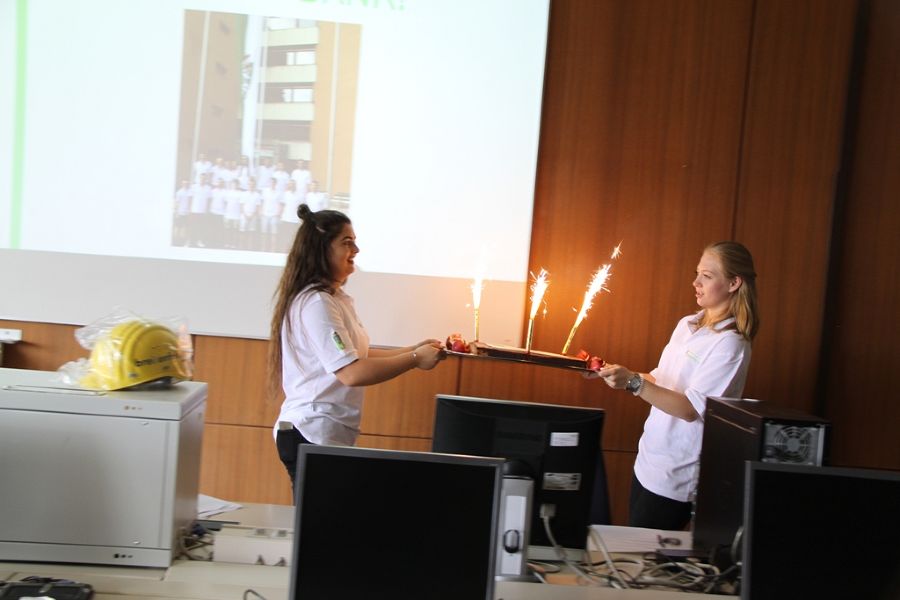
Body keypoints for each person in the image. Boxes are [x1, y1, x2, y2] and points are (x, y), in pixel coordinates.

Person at [268, 204, 446, 496]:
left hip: (323, 434)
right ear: (321, 249)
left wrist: (413, 349)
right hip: (312, 432)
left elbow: (356, 358)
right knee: (322, 533)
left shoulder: (334, 298)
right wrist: (414, 359)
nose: (357, 250)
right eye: (347, 242)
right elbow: (351, 373)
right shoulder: (317, 304)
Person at [590, 241, 759, 530]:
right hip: (648, 461)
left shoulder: (730, 343)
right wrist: (617, 374)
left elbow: (690, 408)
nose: (695, 283)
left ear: (733, 283)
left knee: (649, 566)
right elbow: (660, 379)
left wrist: (632, 382)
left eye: (706, 276)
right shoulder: (687, 323)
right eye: (697, 274)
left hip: (676, 475)